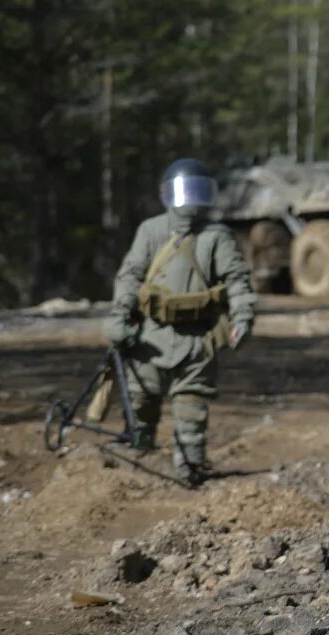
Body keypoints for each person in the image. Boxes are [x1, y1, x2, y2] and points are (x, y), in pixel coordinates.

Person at [103, 158, 256, 485]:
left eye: (199, 191)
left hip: (198, 340)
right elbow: (130, 277)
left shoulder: (217, 237)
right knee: (140, 401)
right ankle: (137, 457)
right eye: (185, 191)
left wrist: (243, 317)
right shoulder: (151, 231)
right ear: (167, 194)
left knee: (191, 408)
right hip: (149, 338)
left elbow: (238, 281)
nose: (191, 199)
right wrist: (119, 318)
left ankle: (190, 466)